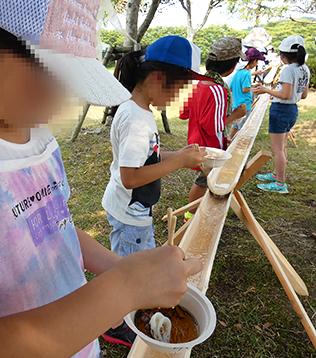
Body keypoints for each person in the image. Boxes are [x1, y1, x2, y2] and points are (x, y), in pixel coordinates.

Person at [0, 0, 203, 358]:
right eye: (51, 72)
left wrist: (123, 268)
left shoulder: (39, 140)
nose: (61, 101)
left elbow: (54, 226)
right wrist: (124, 287)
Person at [102, 36, 208, 259]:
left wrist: (178, 154)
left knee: (142, 264)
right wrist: (179, 162)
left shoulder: (139, 109)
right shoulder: (135, 119)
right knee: (132, 275)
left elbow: (147, 156)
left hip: (134, 212)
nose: (177, 97)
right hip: (130, 218)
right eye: (178, 90)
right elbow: (130, 178)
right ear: (158, 78)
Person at [180, 37, 247, 222]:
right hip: (210, 147)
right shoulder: (218, 90)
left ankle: (196, 212)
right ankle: (190, 216)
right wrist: (235, 115)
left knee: (204, 179)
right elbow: (212, 126)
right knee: (203, 181)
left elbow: (184, 113)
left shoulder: (199, 84)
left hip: (197, 142)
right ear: (232, 65)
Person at [253, 35, 310, 194]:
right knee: (282, 146)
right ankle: (277, 173)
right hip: (292, 110)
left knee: (277, 148)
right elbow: (303, 95)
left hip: (281, 111)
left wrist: (265, 90)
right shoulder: (304, 69)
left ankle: (280, 183)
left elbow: (285, 95)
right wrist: (277, 93)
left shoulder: (287, 70)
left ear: (283, 55)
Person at [229, 48, 266, 139]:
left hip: (235, 104)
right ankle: (239, 144)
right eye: (257, 62)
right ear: (253, 61)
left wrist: (252, 86)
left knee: (235, 125)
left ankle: (230, 140)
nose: (257, 64)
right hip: (244, 106)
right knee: (243, 128)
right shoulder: (247, 74)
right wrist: (254, 87)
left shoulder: (238, 72)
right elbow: (245, 90)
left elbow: (231, 88)